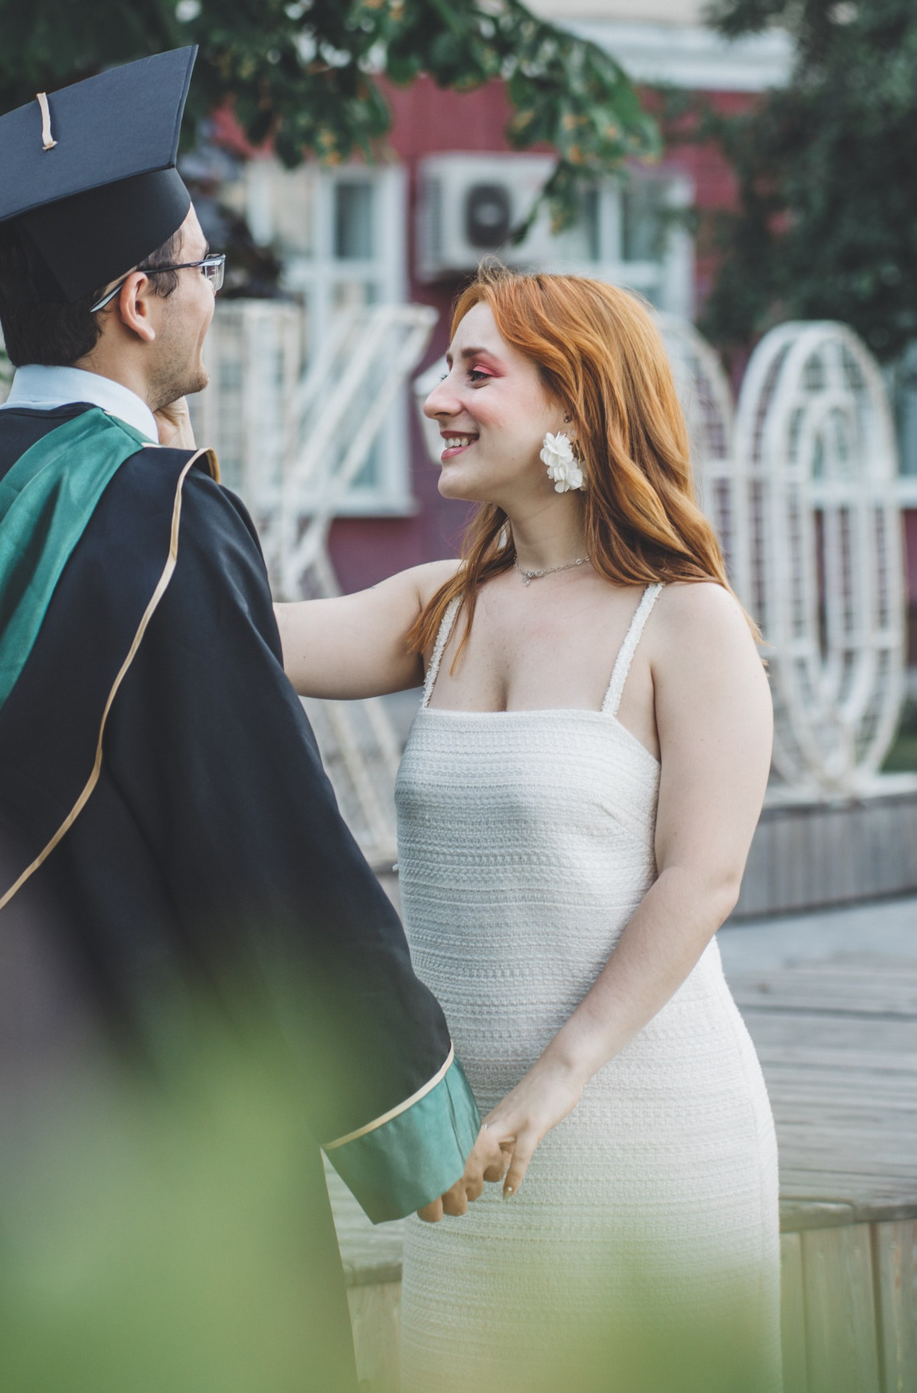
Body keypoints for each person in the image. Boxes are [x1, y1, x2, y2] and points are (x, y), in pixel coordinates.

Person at [0, 48, 480, 1392]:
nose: (210, 299)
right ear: (136, 300)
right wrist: (411, 1112)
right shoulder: (158, 513)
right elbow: (264, 839)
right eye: (202, 269)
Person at [277, 268, 782, 1391]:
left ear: (573, 403)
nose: (433, 393)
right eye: (441, 365)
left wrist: (558, 1079)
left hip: (640, 1130)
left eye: (475, 370)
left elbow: (700, 879)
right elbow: (227, 636)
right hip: (469, 1164)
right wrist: (156, 469)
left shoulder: (687, 621)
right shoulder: (438, 607)